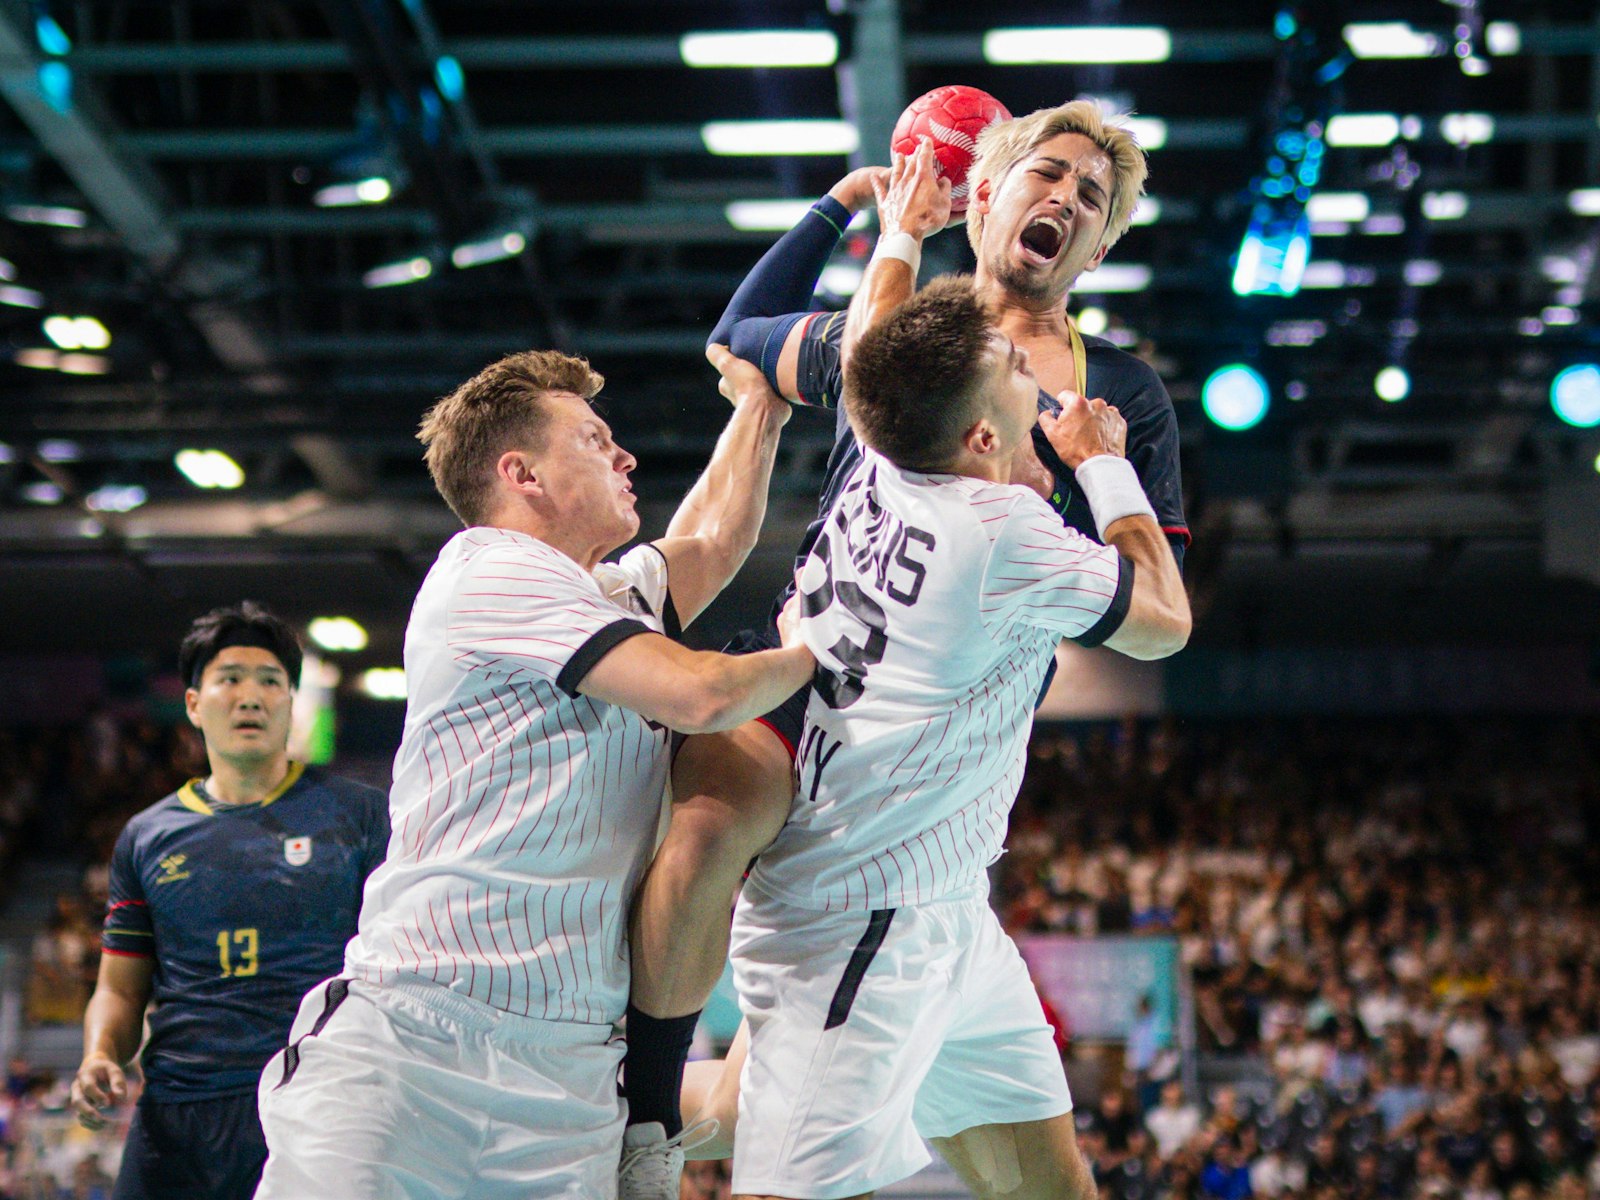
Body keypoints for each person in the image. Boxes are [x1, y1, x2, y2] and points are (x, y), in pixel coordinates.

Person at [629, 101, 1187, 1162]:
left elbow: (1152, 599)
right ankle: (643, 1108)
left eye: (1092, 196)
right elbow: (738, 335)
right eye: (1045, 174)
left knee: (755, 1102)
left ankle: (600, 1111)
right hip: (822, 663)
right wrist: (850, 201)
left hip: (948, 728)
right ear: (985, 191)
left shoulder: (1115, 388)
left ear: (1104, 244)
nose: (1063, 198)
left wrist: (877, 224)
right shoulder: (906, 344)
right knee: (707, 821)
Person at [253, 346, 814, 1200]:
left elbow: (712, 537)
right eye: (594, 440)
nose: (624, 457)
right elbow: (702, 694)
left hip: (571, 1075)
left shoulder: (599, 597)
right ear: (522, 474)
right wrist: (832, 648)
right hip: (413, 1050)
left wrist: (760, 405)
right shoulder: (490, 570)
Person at [726, 276, 1187, 1199]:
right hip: (858, 928)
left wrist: (899, 230)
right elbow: (1165, 618)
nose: (1036, 373)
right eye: (1018, 370)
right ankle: (582, 1117)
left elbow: (866, 352)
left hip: (945, 908)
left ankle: (612, 1108)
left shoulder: (886, 458)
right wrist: (1100, 461)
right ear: (980, 437)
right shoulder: (998, 527)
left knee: (1053, 1188)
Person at [69, 601, 390, 1200]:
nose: (251, 697)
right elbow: (119, 987)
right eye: (230, 680)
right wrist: (99, 1055)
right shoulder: (145, 836)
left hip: (314, 1105)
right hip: (176, 1118)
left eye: (271, 682)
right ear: (193, 703)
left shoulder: (362, 816)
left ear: (291, 703)